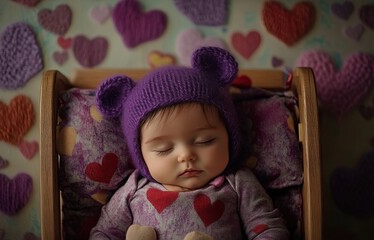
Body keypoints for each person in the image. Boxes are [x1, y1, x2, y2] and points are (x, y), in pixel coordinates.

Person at [90, 47, 289, 240]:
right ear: (141, 155)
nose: (186, 155)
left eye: (205, 140)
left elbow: (266, 228)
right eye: (164, 148)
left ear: (229, 137)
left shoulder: (238, 183)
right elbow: (105, 232)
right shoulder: (133, 189)